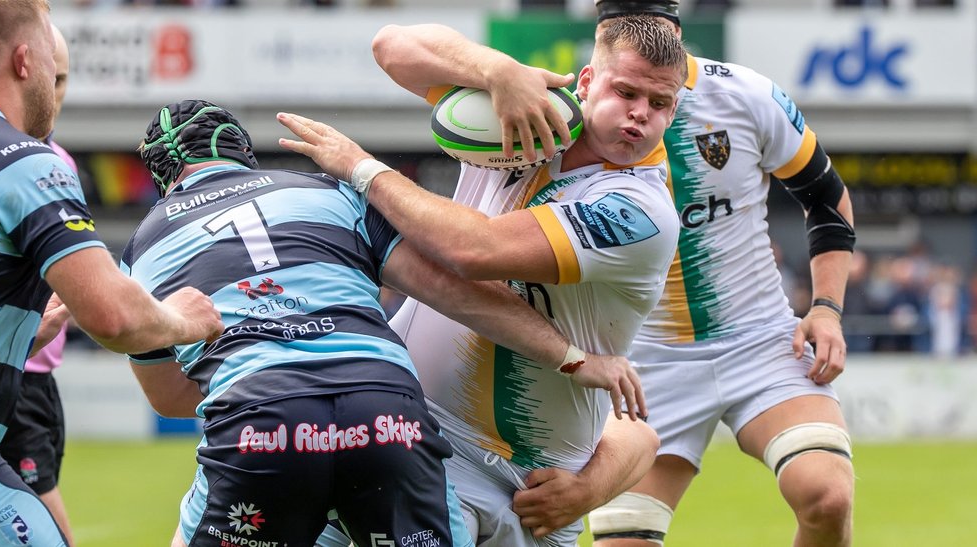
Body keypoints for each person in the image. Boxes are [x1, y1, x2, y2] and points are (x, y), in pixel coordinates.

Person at [125, 99, 649, 547]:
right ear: (244, 153)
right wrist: (570, 356)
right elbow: (453, 289)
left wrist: (271, 369)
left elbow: (170, 399)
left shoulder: (143, 246)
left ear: (163, 179)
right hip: (387, 415)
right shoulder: (329, 193)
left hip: (261, 426)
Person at [278, 14, 689, 545]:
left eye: (659, 105)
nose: (639, 114)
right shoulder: (528, 114)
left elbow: (473, 250)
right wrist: (496, 70)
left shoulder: (640, 209)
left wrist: (361, 168)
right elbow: (391, 46)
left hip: (535, 485)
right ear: (586, 82)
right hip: (413, 428)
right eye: (625, 91)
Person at [0, 2, 223, 546]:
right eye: (52, 67)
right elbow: (114, 318)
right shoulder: (23, 159)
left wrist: (5, 337)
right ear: (23, 61)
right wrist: (186, 318)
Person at [583, 2, 858, 546]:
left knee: (827, 495)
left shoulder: (747, 96)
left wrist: (826, 309)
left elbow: (826, 199)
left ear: (677, 31)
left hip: (758, 341)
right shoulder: (573, 113)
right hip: (643, 364)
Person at [0, 25, 77, 545]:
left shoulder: (59, 161)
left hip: (37, 375)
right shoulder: (4, 161)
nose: (58, 94)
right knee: (46, 521)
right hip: (11, 373)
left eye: (65, 79)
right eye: (53, 77)